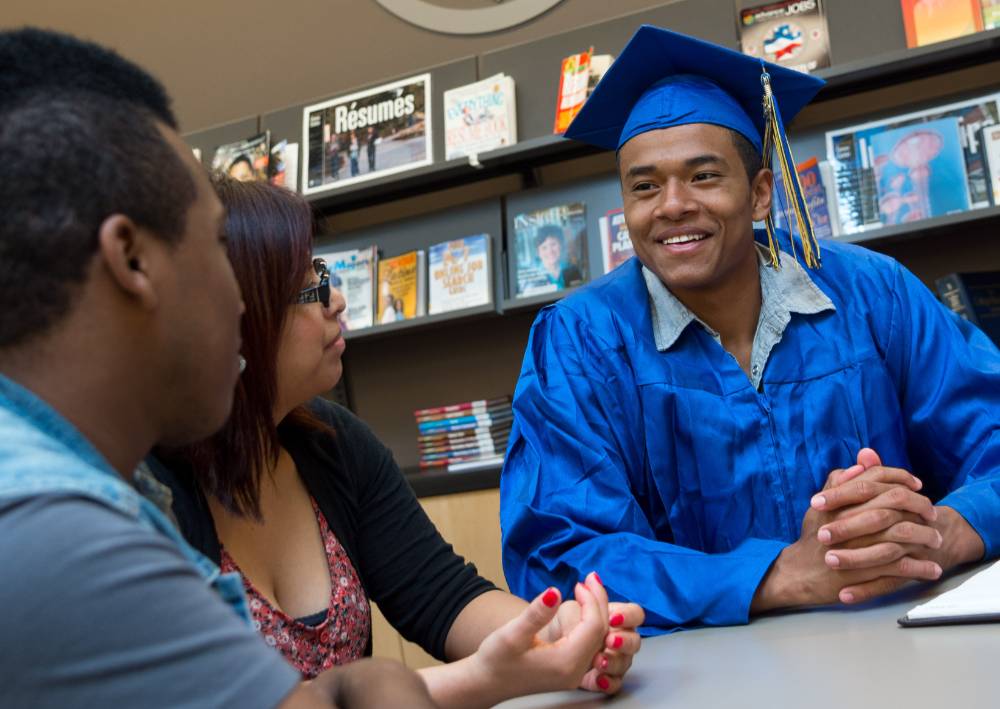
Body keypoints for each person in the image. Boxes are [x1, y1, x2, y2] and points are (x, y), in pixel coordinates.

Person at [500, 25, 1000, 633]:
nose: (672, 204)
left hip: (897, 636)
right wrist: (781, 574)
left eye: (704, 176)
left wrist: (945, 531)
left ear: (761, 192)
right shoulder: (579, 342)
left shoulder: (873, 292)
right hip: (692, 675)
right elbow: (559, 554)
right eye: (644, 186)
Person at [0, 27, 436, 708]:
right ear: (133, 260)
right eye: (214, 244)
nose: (238, 299)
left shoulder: (119, 490)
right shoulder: (59, 531)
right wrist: (370, 683)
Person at [151, 176, 645, 708]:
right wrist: (486, 677)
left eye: (324, 273)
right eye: (307, 288)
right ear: (234, 318)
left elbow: (444, 598)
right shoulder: (151, 495)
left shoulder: (335, 444)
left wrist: (557, 629)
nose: (336, 299)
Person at [534, 224, 584, 290]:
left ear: (560, 245)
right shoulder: (534, 278)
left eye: (553, 244)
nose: (550, 251)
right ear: (538, 252)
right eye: (544, 247)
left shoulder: (573, 270)